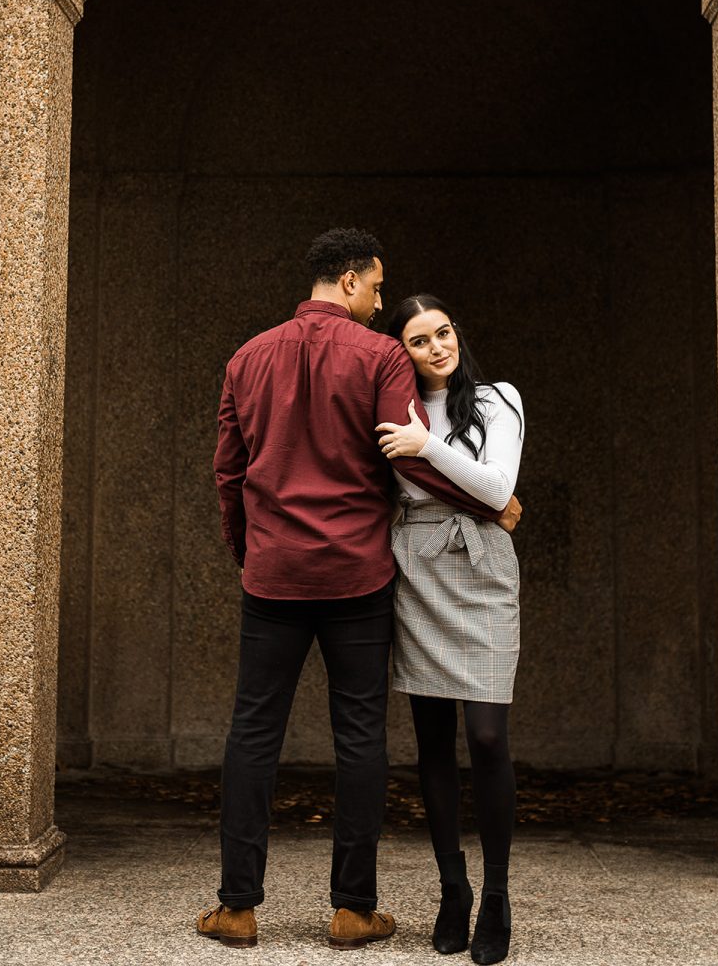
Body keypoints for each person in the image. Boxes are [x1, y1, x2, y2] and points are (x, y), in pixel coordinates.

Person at [196, 229, 520, 952]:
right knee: (360, 737)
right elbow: (404, 453)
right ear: (347, 280)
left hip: (274, 574)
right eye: (376, 288)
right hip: (358, 575)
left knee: (252, 734)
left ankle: (238, 907)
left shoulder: (247, 358)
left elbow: (228, 471)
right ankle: (353, 908)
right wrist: (488, 504)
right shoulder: (377, 356)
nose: (378, 303)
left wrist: (249, 551)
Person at [376, 295, 524, 966]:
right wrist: (412, 439)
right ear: (400, 352)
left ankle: (496, 895)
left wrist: (427, 444)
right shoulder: (396, 411)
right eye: (418, 340)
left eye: (443, 331)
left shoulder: (498, 399)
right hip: (419, 567)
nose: (438, 347)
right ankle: (453, 890)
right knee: (433, 741)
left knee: (487, 737)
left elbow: (497, 491)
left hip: (484, 565)